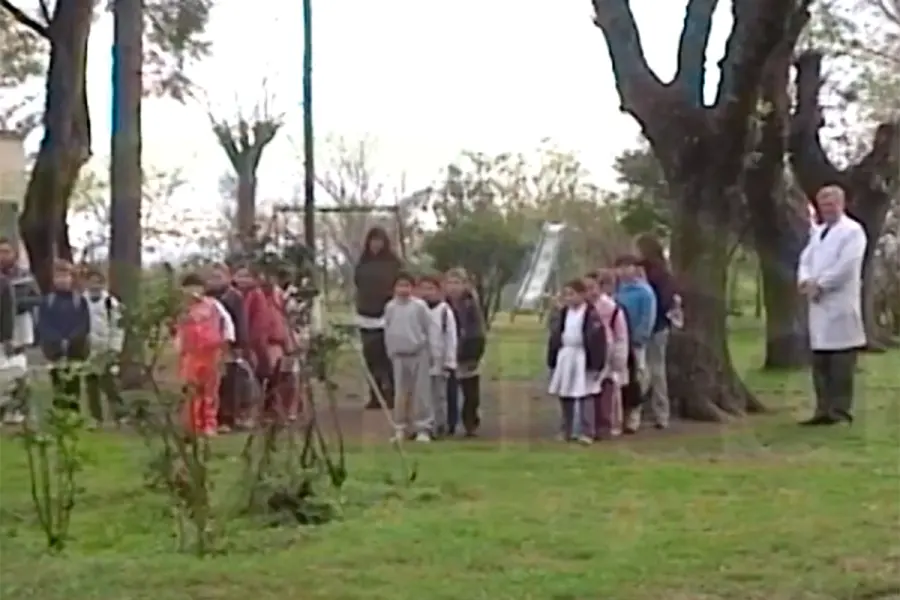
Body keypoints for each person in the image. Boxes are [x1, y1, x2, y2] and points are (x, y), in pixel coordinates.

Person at [796, 184, 867, 426]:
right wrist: (805, 280)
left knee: (841, 363)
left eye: (831, 204)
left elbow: (847, 266)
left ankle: (840, 411)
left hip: (840, 303)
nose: (826, 209)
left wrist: (821, 285)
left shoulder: (853, 232)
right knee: (820, 363)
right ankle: (822, 409)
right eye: (823, 205)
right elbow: (805, 259)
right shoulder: (818, 232)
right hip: (818, 306)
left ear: (841, 203)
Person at [546, 278, 607, 445]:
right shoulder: (564, 313)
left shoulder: (591, 314)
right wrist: (552, 358)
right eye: (566, 295)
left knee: (586, 393)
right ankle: (566, 429)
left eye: (572, 294)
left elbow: (598, 340)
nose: (568, 298)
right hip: (566, 355)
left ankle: (588, 431)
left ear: (582, 295)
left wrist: (596, 364)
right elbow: (556, 336)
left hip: (583, 355)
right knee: (565, 394)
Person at [174, 273, 234, 437]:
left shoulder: (213, 305)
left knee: (210, 391)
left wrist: (226, 344)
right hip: (191, 354)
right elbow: (178, 331)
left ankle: (209, 424)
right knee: (192, 390)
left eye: (196, 287)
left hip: (211, 351)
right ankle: (194, 424)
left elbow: (227, 324)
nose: (192, 291)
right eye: (188, 288)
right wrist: (179, 350)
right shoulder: (183, 310)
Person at [384, 271, 436, 443]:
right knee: (400, 393)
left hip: (418, 353)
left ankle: (423, 428)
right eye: (400, 285)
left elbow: (429, 329)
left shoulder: (419, 306)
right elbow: (388, 330)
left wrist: (432, 353)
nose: (403, 289)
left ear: (412, 288)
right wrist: (390, 351)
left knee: (421, 393)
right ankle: (400, 427)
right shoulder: (390, 307)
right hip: (398, 355)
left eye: (407, 285)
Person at [354, 227, 402, 409]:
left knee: (387, 356)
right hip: (366, 315)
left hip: (388, 316)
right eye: (373, 240)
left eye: (379, 240)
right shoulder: (363, 264)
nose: (376, 244)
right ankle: (374, 394)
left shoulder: (393, 264)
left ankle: (391, 393)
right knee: (371, 356)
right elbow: (357, 282)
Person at [635, 233, 677, 429]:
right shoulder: (660, 272)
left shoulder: (657, 273)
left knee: (652, 370)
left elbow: (664, 301)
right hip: (655, 325)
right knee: (653, 370)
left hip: (656, 326)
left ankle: (656, 411)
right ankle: (657, 412)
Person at [37, 260, 91, 412]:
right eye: (58, 277)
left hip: (75, 347)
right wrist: (56, 339)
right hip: (54, 348)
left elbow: (84, 323)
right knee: (57, 378)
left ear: (71, 278)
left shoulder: (79, 301)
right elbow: (43, 323)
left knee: (73, 379)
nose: (62, 280)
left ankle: (74, 410)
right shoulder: (47, 301)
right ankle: (60, 410)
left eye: (65, 276)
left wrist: (71, 338)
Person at [613, 254, 657, 434]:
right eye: (620, 267)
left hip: (636, 341)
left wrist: (640, 337)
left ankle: (635, 416)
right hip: (618, 340)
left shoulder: (644, 292)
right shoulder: (617, 290)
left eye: (627, 266)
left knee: (637, 377)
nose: (623, 271)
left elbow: (648, 317)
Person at [205, 263, 249, 432]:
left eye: (219, 276)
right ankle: (210, 416)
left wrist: (239, 344)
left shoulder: (234, 297)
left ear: (228, 277)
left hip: (229, 344)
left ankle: (228, 417)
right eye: (212, 277)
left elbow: (241, 321)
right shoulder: (206, 298)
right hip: (209, 345)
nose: (215, 280)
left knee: (230, 382)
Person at [0, 237, 39, 424]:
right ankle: (5, 407)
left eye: (6, 252)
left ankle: (21, 408)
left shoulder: (23, 275)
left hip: (20, 325)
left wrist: (15, 303)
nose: (2, 256)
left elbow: (36, 299)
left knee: (19, 368)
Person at [444, 268, 486, 436]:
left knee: (471, 393)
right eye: (450, 283)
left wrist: (473, 351)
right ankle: (449, 424)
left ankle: (470, 423)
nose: (453, 287)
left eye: (457, 283)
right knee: (449, 392)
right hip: (447, 353)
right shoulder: (442, 305)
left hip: (468, 352)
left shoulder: (471, 304)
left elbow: (477, 330)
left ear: (464, 285)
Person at [589, 270, 630, 438]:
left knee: (609, 389)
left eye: (593, 287)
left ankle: (609, 424)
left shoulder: (612, 308)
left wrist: (619, 358)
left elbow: (621, 335)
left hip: (609, 351)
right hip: (591, 352)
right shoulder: (584, 307)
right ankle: (591, 423)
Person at [416, 273, 458, 437]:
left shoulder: (444, 311)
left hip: (439, 360)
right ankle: (425, 425)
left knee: (439, 395)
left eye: (430, 288)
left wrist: (449, 361)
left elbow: (451, 337)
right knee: (423, 396)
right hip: (421, 359)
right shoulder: (417, 309)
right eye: (423, 288)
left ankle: (441, 425)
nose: (427, 292)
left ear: (438, 290)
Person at [82, 268, 125, 427]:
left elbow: (117, 326)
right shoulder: (81, 302)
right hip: (88, 350)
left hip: (106, 349)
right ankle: (95, 418)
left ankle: (119, 415)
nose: (95, 285)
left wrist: (115, 348)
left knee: (110, 384)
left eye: (98, 282)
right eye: (91, 281)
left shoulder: (110, 303)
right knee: (91, 385)